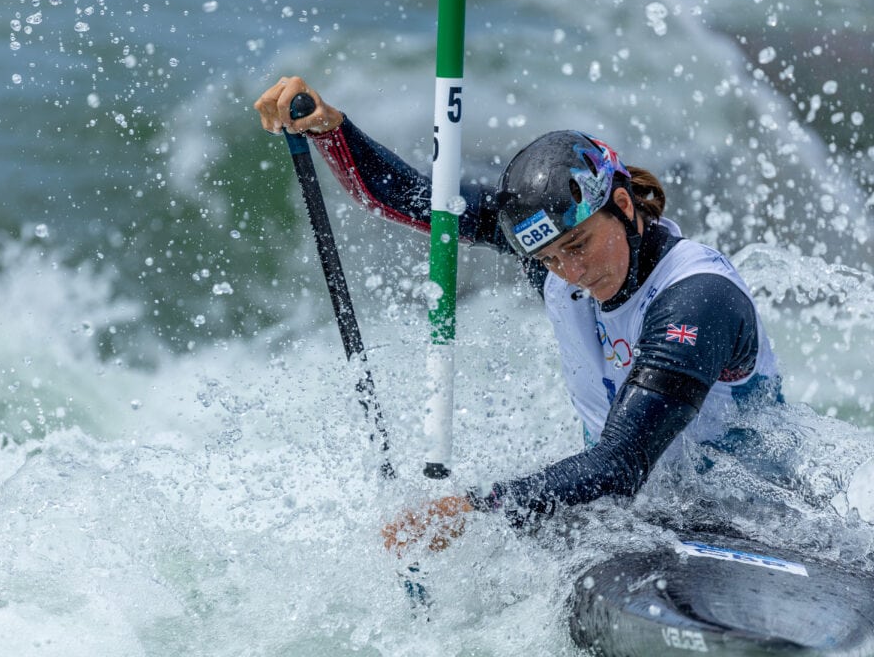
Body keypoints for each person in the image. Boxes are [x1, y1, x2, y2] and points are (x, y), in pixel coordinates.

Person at [254, 76, 782, 553]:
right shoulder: (555, 262)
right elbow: (414, 199)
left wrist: (471, 509)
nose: (569, 272)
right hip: (629, 517)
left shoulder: (697, 298)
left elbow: (620, 465)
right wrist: (330, 131)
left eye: (578, 245)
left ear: (622, 205)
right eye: (548, 258)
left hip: (752, 522)